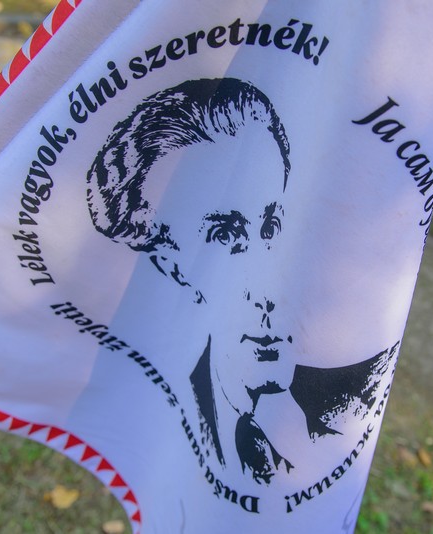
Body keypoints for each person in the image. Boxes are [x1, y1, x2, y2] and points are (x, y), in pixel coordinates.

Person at [86, 78, 396, 485]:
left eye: (270, 227)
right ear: (165, 261)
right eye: (225, 236)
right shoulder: (157, 411)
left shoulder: (354, 411)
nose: (270, 282)